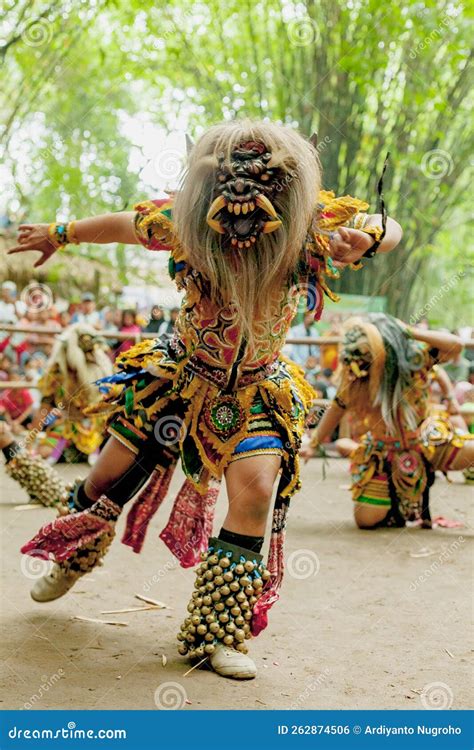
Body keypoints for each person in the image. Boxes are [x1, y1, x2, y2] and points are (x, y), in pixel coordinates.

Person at [7, 120, 402, 680]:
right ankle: (75, 556)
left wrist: (370, 237)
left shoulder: (313, 227)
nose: (244, 197)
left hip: (256, 391)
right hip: (177, 378)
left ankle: (218, 633)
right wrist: (61, 232)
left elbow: (390, 231)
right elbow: (126, 223)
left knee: (258, 490)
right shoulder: (187, 220)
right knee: (104, 479)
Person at [302, 315, 474, 529]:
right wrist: (313, 443)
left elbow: (456, 346)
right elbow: (337, 407)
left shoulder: (417, 360)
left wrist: (408, 331)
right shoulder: (358, 378)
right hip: (383, 453)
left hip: (427, 441)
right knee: (366, 520)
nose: (361, 361)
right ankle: (395, 505)